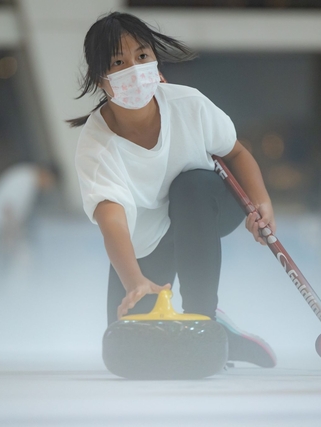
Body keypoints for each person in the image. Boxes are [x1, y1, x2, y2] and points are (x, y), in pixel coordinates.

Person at [70, 12, 276, 368]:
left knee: (190, 185)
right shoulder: (96, 146)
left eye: (142, 56)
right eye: (118, 63)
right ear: (100, 79)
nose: (135, 69)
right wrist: (134, 282)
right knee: (130, 348)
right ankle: (224, 335)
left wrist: (262, 202)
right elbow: (113, 222)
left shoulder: (188, 105)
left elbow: (236, 153)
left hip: (205, 208)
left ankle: (204, 319)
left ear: (155, 59)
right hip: (148, 242)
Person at [0, 162, 59, 282]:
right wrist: (9, 237)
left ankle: (2, 285)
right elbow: (8, 210)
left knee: (5, 262)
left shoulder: (28, 179)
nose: (49, 188)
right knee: (3, 261)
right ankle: (0, 287)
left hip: (2, 226)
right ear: (46, 174)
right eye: (50, 182)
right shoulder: (25, 180)